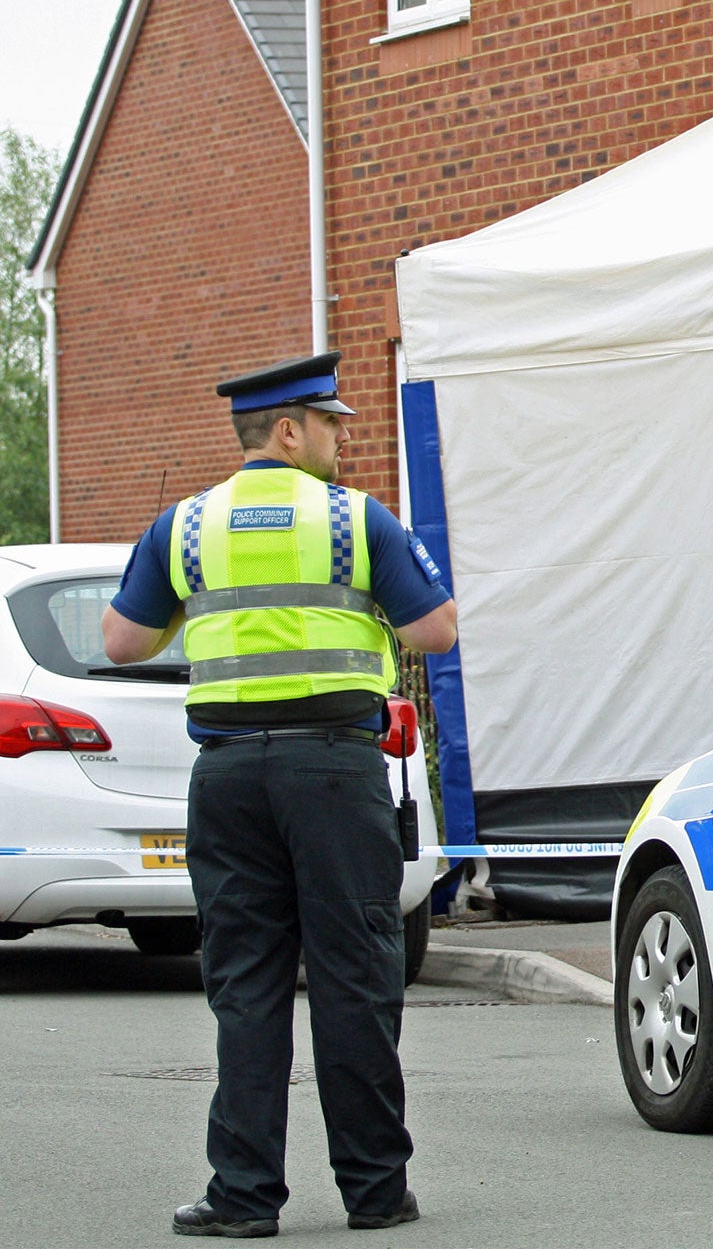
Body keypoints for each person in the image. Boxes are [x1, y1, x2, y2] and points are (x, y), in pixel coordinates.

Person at [102, 352, 459, 1239]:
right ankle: (375, 1193)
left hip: (226, 779)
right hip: (333, 773)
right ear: (289, 431)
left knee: (246, 987)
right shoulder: (354, 520)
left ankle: (243, 1196)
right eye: (332, 422)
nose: (346, 435)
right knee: (355, 977)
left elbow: (120, 642)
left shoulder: (184, 527)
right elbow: (437, 629)